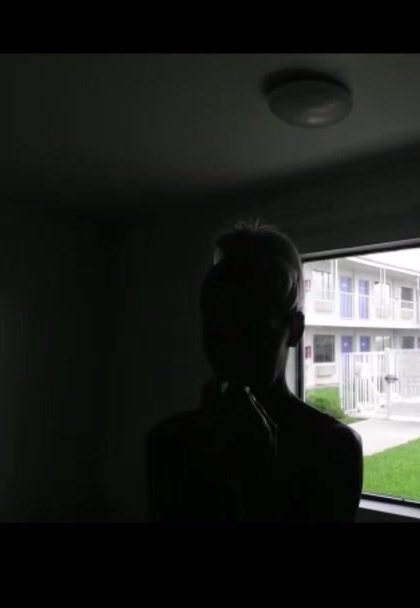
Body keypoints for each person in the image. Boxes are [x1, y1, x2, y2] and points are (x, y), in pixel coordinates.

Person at [144, 219, 363, 521]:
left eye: (250, 330)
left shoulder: (334, 450)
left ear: (295, 330)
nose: (228, 348)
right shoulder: (168, 443)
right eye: (215, 329)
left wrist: (256, 483)